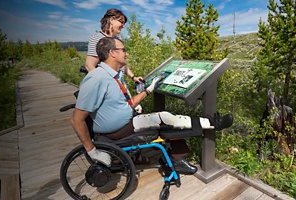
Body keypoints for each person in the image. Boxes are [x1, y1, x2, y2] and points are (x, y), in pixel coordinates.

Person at [71, 37, 233, 175]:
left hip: (126, 122)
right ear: (112, 53)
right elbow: (76, 120)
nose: (126, 53)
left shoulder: (110, 76)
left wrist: (147, 90)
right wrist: (93, 151)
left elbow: (126, 103)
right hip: (118, 131)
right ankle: (212, 124)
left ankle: (177, 157)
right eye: (123, 49)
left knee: (165, 120)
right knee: (164, 118)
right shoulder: (96, 78)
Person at [85, 8, 142, 83]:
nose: (123, 26)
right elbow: (89, 66)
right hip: (107, 84)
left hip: (119, 83)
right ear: (111, 20)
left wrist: (133, 77)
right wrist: (103, 82)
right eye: (121, 22)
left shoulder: (117, 40)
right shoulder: (98, 38)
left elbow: (122, 64)